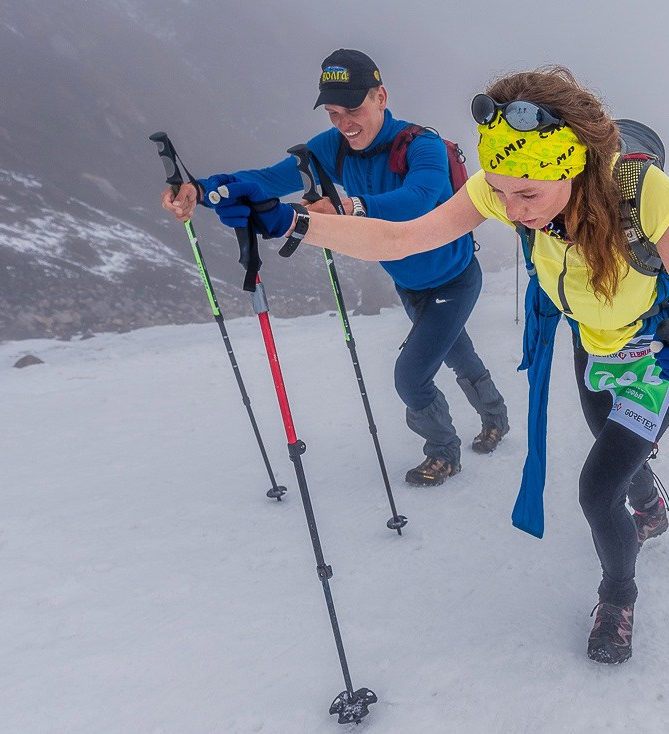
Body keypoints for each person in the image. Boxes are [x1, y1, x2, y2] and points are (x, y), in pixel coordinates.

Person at [197, 66, 669, 666]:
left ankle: (618, 596)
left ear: (573, 165)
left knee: (595, 489)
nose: (512, 209)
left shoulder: (644, 193)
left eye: (527, 195)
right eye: (501, 194)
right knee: (608, 445)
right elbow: (403, 238)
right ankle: (650, 502)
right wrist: (294, 222)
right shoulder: (507, 179)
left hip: (651, 362)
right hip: (593, 347)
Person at [162, 49, 509, 487]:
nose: (344, 123)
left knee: (411, 376)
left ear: (381, 96)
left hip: (454, 279)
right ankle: (497, 415)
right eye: (333, 113)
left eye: (353, 109)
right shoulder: (334, 148)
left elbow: (420, 198)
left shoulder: (422, 145)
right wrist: (201, 188)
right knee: (456, 351)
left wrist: (347, 207)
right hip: (408, 282)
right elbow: (269, 180)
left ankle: (443, 452)